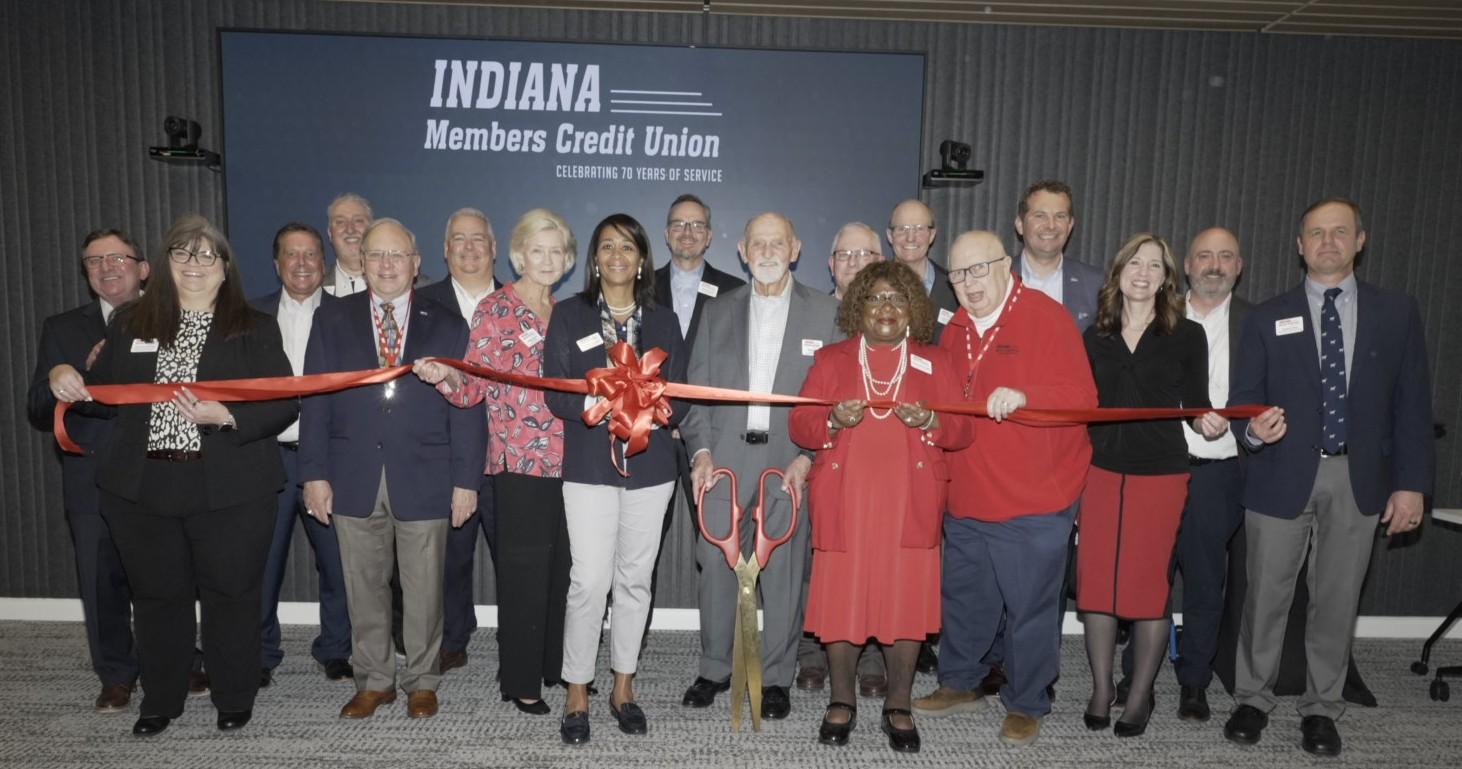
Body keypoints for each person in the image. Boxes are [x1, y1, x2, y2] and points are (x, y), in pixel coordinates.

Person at [48, 214, 297, 736]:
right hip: (142, 489)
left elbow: (284, 405)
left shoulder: (254, 327)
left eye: (207, 255)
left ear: (225, 269)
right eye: (181, 254)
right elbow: (100, 394)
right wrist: (64, 377)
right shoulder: (132, 323)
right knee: (159, 599)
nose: (193, 264)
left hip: (231, 488)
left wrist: (225, 415)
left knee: (231, 596)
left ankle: (234, 696)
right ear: (163, 265)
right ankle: (160, 700)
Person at [1224, 198, 1433, 757]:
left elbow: (1412, 404)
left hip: (1358, 477)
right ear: (1299, 245)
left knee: (1337, 600)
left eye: (1339, 232)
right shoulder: (1268, 315)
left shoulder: (1397, 312)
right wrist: (1253, 431)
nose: (1327, 242)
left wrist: (1411, 483)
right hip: (1279, 472)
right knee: (1265, 594)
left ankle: (1321, 707)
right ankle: (1252, 697)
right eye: (1316, 233)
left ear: (1360, 239)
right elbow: (1243, 401)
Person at [913, 231, 1096, 747]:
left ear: (1004, 265)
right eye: (956, 274)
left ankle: (1028, 701)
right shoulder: (955, 329)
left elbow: (1084, 397)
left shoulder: (1046, 317)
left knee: (1030, 608)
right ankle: (961, 681)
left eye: (977, 270)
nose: (967, 284)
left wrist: (1027, 394)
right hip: (968, 494)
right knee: (966, 599)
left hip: (1034, 499)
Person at [300, 218, 486, 721]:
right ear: (362, 262)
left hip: (426, 473)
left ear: (416, 262)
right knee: (363, 586)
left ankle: (422, 681)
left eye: (397, 255)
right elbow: (315, 400)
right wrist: (313, 473)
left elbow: (468, 404)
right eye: (376, 255)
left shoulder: (446, 323)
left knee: (425, 587)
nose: (386, 265)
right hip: (351, 472)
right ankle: (374, 681)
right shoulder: (331, 318)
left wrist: (466, 481)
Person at [789, 260, 975, 753]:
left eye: (896, 298)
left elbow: (963, 430)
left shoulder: (936, 362)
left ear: (912, 307)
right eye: (875, 298)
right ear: (859, 308)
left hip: (909, 501)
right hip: (847, 497)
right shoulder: (832, 359)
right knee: (842, 602)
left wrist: (933, 418)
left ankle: (899, 703)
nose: (886, 308)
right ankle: (843, 699)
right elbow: (800, 425)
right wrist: (830, 418)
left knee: (906, 602)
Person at [678, 212, 840, 718]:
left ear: (795, 249)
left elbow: (833, 398)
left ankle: (775, 678)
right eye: (757, 244)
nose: (768, 252)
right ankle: (713, 668)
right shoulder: (718, 309)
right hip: (723, 454)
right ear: (743, 252)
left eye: (778, 243)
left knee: (785, 569)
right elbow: (697, 389)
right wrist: (700, 451)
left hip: (788, 455)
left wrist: (808, 457)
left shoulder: (826, 311)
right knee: (715, 566)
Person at [414, 208, 575, 715]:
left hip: (574, 464)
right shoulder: (495, 310)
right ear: (518, 255)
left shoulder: (570, 313)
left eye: (556, 251)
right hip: (520, 464)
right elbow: (473, 389)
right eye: (537, 250)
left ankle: (554, 666)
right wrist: (448, 377)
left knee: (564, 571)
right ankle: (521, 680)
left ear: (568, 259)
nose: (546, 260)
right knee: (524, 573)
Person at [543, 213, 688, 745]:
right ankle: (576, 688)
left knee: (634, 580)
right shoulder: (568, 315)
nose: (617, 255)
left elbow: (684, 394)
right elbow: (555, 393)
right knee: (588, 582)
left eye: (627, 246)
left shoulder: (665, 321)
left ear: (643, 258)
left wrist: (651, 404)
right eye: (607, 246)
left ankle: (623, 687)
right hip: (588, 467)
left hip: (651, 470)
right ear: (595, 260)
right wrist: (602, 403)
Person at [1076, 233, 1228, 739]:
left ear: (1167, 278)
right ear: (1118, 272)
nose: (1143, 273)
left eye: (1154, 266)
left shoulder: (1187, 334)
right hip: (1099, 472)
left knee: (1148, 588)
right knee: (1097, 585)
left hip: (1161, 473)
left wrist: (1207, 422)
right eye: (1134, 263)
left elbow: (1196, 404)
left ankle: (1138, 696)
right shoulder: (1092, 335)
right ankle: (1101, 689)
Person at [27, 228, 148, 712]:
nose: (106, 267)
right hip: (90, 473)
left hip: (159, 469)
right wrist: (57, 380)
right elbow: (37, 408)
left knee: (168, 576)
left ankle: (180, 660)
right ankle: (116, 674)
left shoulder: (175, 319)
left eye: (117, 257)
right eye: (94, 261)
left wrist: (107, 378)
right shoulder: (62, 328)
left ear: (143, 268)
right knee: (100, 580)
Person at [250, 223, 352, 686]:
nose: (302, 263)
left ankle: (336, 648)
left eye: (311, 254)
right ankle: (260, 652)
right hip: (266, 456)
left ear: (323, 262)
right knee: (261, 562)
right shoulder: (249, 316)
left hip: (329, 459)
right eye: (292, 255)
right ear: (277, 264)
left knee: (338, 562)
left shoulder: (348, 314)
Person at [797, 221, 888, 695]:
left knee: (874, 562)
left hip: (880, 469)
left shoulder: (899, 316)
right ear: (830, 263)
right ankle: (812, 651)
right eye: (845, 255)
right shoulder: (808, 313)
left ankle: (872, 654)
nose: (853, 263)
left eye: (865, 255)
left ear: (881, 262)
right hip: (822, 459)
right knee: (819, 562)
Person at [1167, 227, 1249, 721]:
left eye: (1225, 256)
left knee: (1203, 581)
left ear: (1239, 266)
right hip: (1159, 466)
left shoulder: (1257, 322)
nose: (1214, 264)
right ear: (1187, 265)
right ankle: (1137, 671)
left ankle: (1194, 679)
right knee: (1148, 579)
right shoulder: (1160, 315)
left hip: (1220, 472)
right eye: (1204, 256)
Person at [416, 207, 500, 673]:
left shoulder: (520, 302)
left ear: (494, 248)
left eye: (478, 239)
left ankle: (521, 638)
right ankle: (453, 638)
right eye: (459, 240)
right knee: (451, 556)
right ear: (445, 250)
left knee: (517, 556)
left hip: (510, 456)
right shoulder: (420, 303)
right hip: (445, 455)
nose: (469, 248)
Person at [1009, 180, 1102, 331]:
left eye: (1060, 216)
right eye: (1040, 216)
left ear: (1070, 226)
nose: (1051, 225)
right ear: (1020, 225)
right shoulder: (997, 278)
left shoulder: (1096, 284)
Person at [886, 200, 959, 338]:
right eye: (902, 229)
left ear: (932, 235)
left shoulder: (955, 288)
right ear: (890, 236)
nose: (910, 238)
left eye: (919, 229)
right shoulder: (873, 286)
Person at [324, 193, 373, 296]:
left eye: (358, 221)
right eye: (340, 222)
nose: (350, 229)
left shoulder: (404, 284)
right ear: (330, 234)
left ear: (372, 230)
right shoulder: (314, 287)